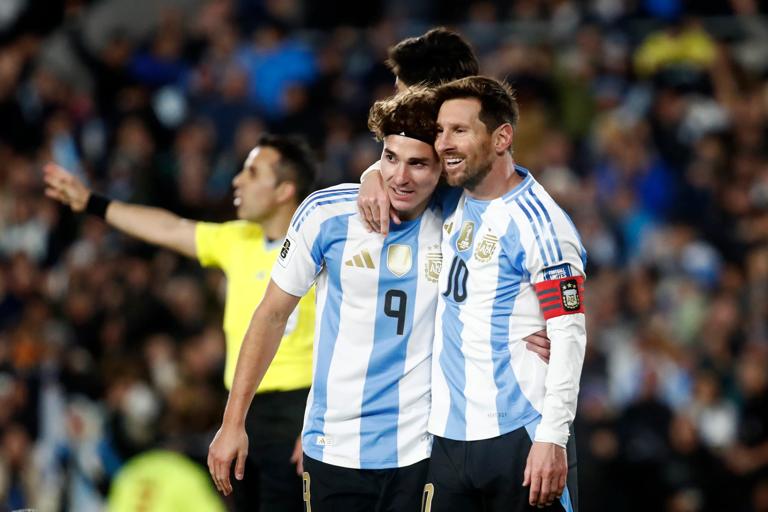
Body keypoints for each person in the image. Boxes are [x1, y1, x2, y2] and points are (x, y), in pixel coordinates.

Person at [43, 133, 317, 512]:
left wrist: (321, 421)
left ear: (285, 190)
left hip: (300, 410)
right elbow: (169, 228)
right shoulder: (237, 239)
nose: (237, 181)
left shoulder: (322, 248)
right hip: (242, 412)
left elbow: (346, 338)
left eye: (252, 173)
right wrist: (92, 202)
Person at [208, 87, 445, 511]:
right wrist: (232, 422)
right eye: (390, 159)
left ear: (442, 167)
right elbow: (270, 316)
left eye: (418, 164)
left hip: (419, 452)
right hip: (334, 448)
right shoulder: (325, 215)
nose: (401, 177)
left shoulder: (457, 220)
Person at [359, 76, 586, 511]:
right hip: (447, 439)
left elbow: (569, 334)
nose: (444, 143)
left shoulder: (541, 226)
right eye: (441, 131)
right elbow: (400, 166)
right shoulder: (450, 199)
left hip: (519, 437)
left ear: (502, 137)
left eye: (459, 130)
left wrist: (552, 438)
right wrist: (373, 173)